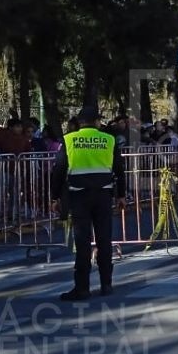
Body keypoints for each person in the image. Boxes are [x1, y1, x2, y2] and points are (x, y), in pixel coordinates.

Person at [51, 106, 126, 301]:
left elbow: (59, 169)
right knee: (104, 240)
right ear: (97, 122)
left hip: (78, 195)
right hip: (103, 195)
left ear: (79, 122)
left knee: (82, 242)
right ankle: (106, 284)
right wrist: (121, 195)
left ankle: (82, 288)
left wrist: (54, 197)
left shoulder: (69, 139)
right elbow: (119, 168)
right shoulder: (109, 140)